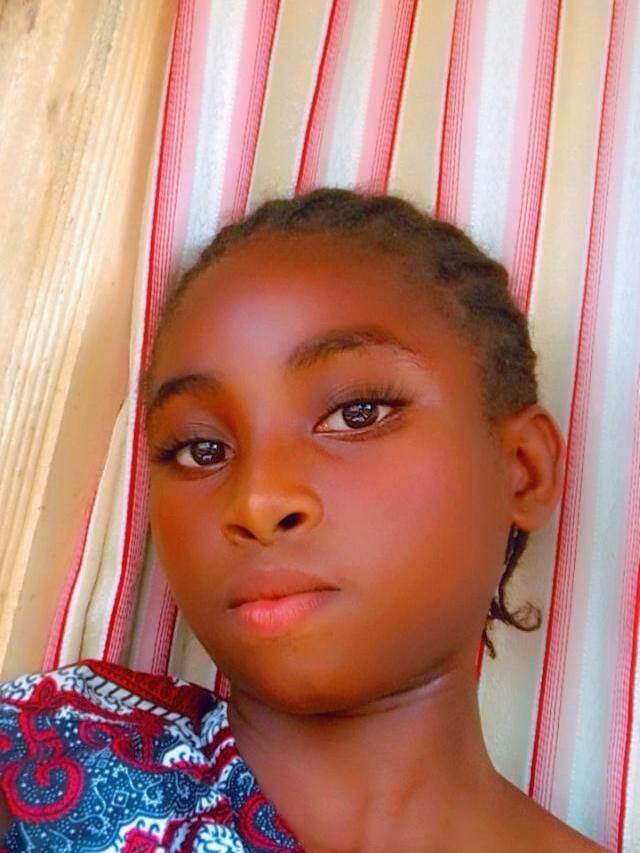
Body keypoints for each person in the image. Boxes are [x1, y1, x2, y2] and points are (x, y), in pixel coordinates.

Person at [0, 189, 607, 852]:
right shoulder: (36, 766)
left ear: (522, 470)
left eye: (357, 414)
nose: (258, 501)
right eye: (201, 450)